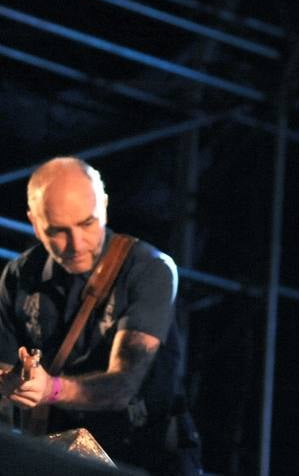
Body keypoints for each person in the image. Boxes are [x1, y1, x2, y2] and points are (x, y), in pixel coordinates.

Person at [0, 157, 197, 474]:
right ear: (34, 224)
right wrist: (12, 382)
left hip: (146, 458)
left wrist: (50, 388)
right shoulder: (18, 276)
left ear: (104, 207)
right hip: (59, 459)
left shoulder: (149, 268)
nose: (76, 244)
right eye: (58, 231)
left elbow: (124, 384)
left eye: (87, 223)